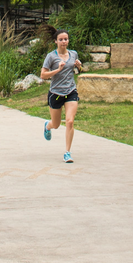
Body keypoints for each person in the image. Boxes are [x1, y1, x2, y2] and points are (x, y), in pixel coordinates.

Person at [41, 29, 83, 163]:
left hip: (71, 91)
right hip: (56, 93)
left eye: (66, 39)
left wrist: (79, 67)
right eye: (61, 39)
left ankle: (67, 153)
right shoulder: (51, 57)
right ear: (56, 41)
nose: (64, 42)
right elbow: (43, 75)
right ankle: (48, 126)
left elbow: (78, 71)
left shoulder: (73, 54)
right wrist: (58, 69)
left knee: (70, 121)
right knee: (56, 124)